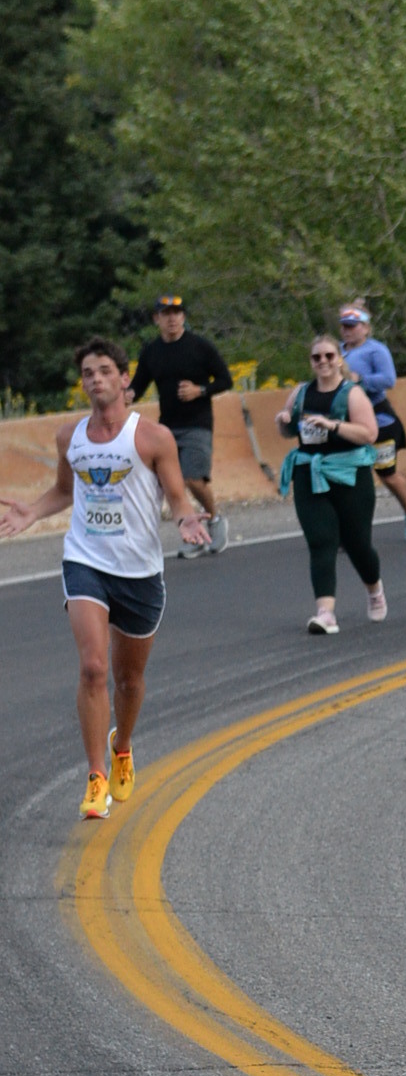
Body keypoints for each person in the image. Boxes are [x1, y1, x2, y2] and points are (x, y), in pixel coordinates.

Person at [0, 335, 209, 814]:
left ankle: (122, 746)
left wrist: (186, 520)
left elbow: (177, 497)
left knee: (128, 680)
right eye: (87, 374)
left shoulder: (153, 437)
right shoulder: (68, 437)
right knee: (93, 667)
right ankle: (95, 777)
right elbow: (64, 491)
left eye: (104, 371)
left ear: (124, 379)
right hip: (86, 560)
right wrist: (32, 511)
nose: (95, 380)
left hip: (139, 570)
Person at [276, 331, 387, 636]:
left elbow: (369, 433)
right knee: (321, 540)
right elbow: (289, 431)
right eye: (317, 357)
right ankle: (326, 613)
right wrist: (283, 421)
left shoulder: (352, 394)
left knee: (357, 544)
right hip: (309, 473)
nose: (323, 361)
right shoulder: (301, 393)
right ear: (311, 362)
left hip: (349, 475)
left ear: (339, 359)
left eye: (329, 356)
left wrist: (333, 425)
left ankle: (374, 589)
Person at [126, 293, 236, 556]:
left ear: (183, 316)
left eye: (176, 313)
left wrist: (200, 390)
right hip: (167, 427)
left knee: (193, 479)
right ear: (157, 319)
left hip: (197, 423)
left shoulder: (200, 346)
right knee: (170, 484)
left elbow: (226, 380)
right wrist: (124, 396)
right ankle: (193, 536)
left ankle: (215, 519)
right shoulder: (151, 351)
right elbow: (138, 385)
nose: (172, 319)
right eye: (166, 314)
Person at [338, 301, 406, 541]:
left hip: (379, 419)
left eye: (352, 326)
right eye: (344, 326)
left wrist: (360, 380)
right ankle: (351, 531)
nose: (347, 330)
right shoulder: (336, 351)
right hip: (348, 420)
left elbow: (389, 380)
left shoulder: (376, 350)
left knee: (387, 475)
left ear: (365, 328)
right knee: (348, 476)